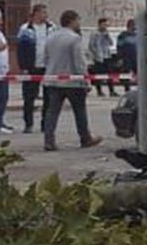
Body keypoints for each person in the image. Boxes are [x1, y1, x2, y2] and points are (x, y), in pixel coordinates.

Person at [41, 10, 103, 152]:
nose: (79, 23)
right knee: (79, 110)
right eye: (78, 20)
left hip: (53, 79)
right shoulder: (74, 38)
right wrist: (86, 80)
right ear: (72, 21)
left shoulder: (51, 36)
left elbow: (45, 58)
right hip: (72, 80)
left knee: (52, 111)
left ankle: (48, 140)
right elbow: (79, 62)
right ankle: (85, 137)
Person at [17, 5, 52, 133]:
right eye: (43, 12)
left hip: (48, 67)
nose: (46, 15)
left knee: (49, 97)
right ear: (36, 14)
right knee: (29, 97)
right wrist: (24, 67)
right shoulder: (25, 29)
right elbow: (20, 50)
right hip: (31, 67)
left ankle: (46, 124)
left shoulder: (51, 28)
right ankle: (28, 124)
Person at [87, 17, 117, 96]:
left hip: (107, 55)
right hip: (98, 57)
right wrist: (95, 55)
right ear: (99, 25)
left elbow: (111, 43)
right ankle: (99, 91)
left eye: (106, 25)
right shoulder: (94, 34)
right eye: (104, 25)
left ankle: (112, 91)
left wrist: (107, 36)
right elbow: (91, 45)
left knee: (109, 74)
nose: (105, 27)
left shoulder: (106, 33)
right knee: (98, 75)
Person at [115, 18, 138, 92]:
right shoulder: (123, 35)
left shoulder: (137, 35)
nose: (134, 27)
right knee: (126, 74)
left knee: (138, 73)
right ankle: (127, 88)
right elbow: (119, 47)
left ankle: (138, 87)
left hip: (136, 57)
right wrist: (120, 58)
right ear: (129, 26)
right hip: (126, 57)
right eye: (133, 26)